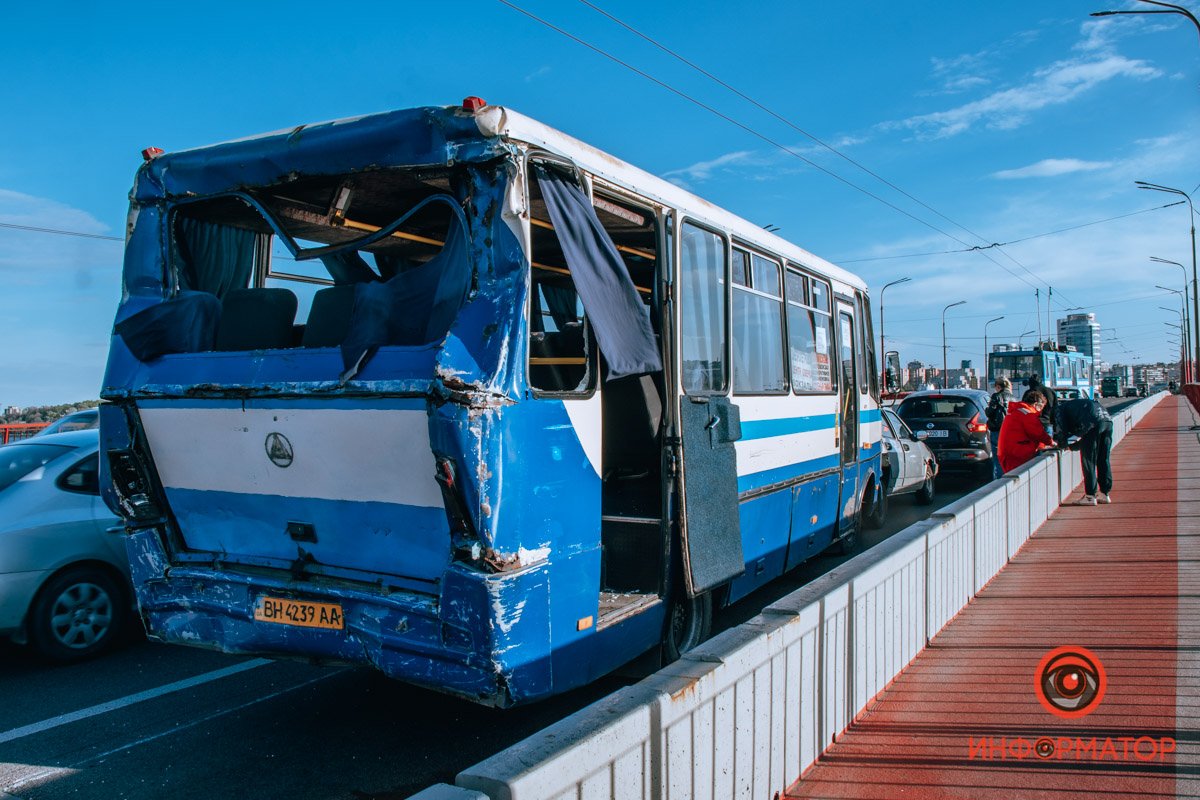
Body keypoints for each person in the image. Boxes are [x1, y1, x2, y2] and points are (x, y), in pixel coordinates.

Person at [1054, 397, 1114, 506]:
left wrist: (1062, 445)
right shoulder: (1075, 405)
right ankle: (1105, 493)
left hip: (1093, 422)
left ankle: (1090, 496)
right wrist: (1072, 447)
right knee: (1103, 458)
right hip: (1107, 420)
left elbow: (1060, 430)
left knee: (1088, 460)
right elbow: (1085, 440)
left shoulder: (1059, 410)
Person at [998, 389, 1055, 474]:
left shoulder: (1018, 411)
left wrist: (1042, 445)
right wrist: (1051, 443)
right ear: (1036, 405)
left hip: (1009, 453)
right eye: (1041, 408)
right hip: (1016, 455)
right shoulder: (1028, 414)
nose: (1040, 412)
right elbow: (1038, 433)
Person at [984, 377, 1014, 480]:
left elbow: (989, 412)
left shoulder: (996, 396)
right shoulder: (1013, 397)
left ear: (998, 386)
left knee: (998, 457)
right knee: (1008, 455)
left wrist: (987, 409)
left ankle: (999, 479)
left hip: (997, 429)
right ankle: (1009, 476)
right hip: (1010, 430)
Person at [1025, 374, 1057, 438]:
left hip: (1033, 424)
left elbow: (1024, 409)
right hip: (1048, 423)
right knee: (1047, 445)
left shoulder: (1029, 393)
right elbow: (1055, 408)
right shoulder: (1051, 391)